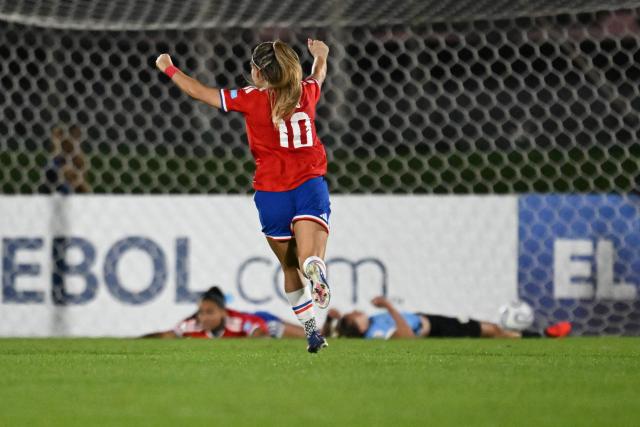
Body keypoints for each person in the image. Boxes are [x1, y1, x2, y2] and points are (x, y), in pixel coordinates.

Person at [155, 39, 332, 353]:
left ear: (259, 74)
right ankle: (315, 268)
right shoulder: (307, 92)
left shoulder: (250, 98)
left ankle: (311, 332)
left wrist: (167, 66)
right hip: (309, 184)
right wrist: (321, 54)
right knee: (308, 257)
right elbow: (318, 74)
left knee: (289, 268)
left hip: (271, 193)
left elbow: (198, 90)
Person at [325, 296, 572, 339]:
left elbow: (330, 336)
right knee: (493, 331)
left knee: (493, 332)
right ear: (356, 324)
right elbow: (407, 338)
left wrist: (329, 320)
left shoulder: (357, 330)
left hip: (430, 319)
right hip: (437, 329)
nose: (358, 312)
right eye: (354, 315)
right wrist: (389, 306)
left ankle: (539, 336)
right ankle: (541, 337)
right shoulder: (376, 333)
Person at [143, 286, 305, 339]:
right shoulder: (192, 324)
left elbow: (258, 330)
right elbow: (168, 335)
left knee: (273, 329)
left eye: (210, 312)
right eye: (201, 312)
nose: (204, 317)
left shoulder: (238, 322)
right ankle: (328, 329)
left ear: (223, 312)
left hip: (261, 319)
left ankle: (318, 333)